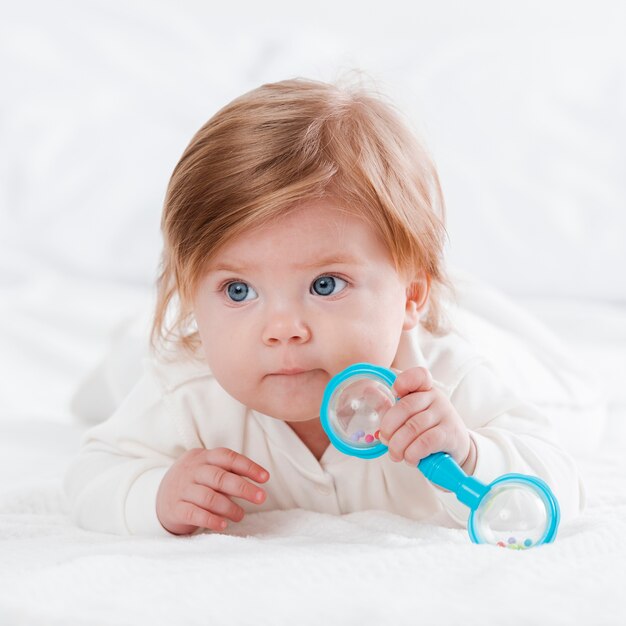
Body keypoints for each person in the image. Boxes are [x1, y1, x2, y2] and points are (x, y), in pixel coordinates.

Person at [64, 76, 584, 536]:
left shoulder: (443, 387)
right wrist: (154, 494)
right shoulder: (186, 391)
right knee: (130, 363)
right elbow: (93, 475)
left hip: (483, 331)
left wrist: (470, 452)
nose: (283, 328)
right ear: (194, 296)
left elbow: (558, 478)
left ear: (409, 297)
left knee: (573, 391)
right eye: (238, 291)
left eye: (326, 284)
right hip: (156, 355)